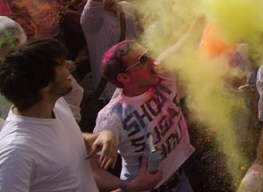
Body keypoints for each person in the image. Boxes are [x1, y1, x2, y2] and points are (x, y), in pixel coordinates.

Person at [0, 38, 156, 192]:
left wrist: (97, 136)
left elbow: (56, 141)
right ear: (44, 86)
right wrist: (129, 188)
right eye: (61, 65)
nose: (69, 65)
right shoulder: (15, 152)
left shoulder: (56, 104)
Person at [94, 40, 193, 192]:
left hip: (181, 179)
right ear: (124, 78)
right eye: (142, 60)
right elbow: (94, 171)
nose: (152, 61)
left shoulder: (161, 73)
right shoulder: (112, 117)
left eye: (148, 54)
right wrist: (129, 187)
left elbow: (189, 38)